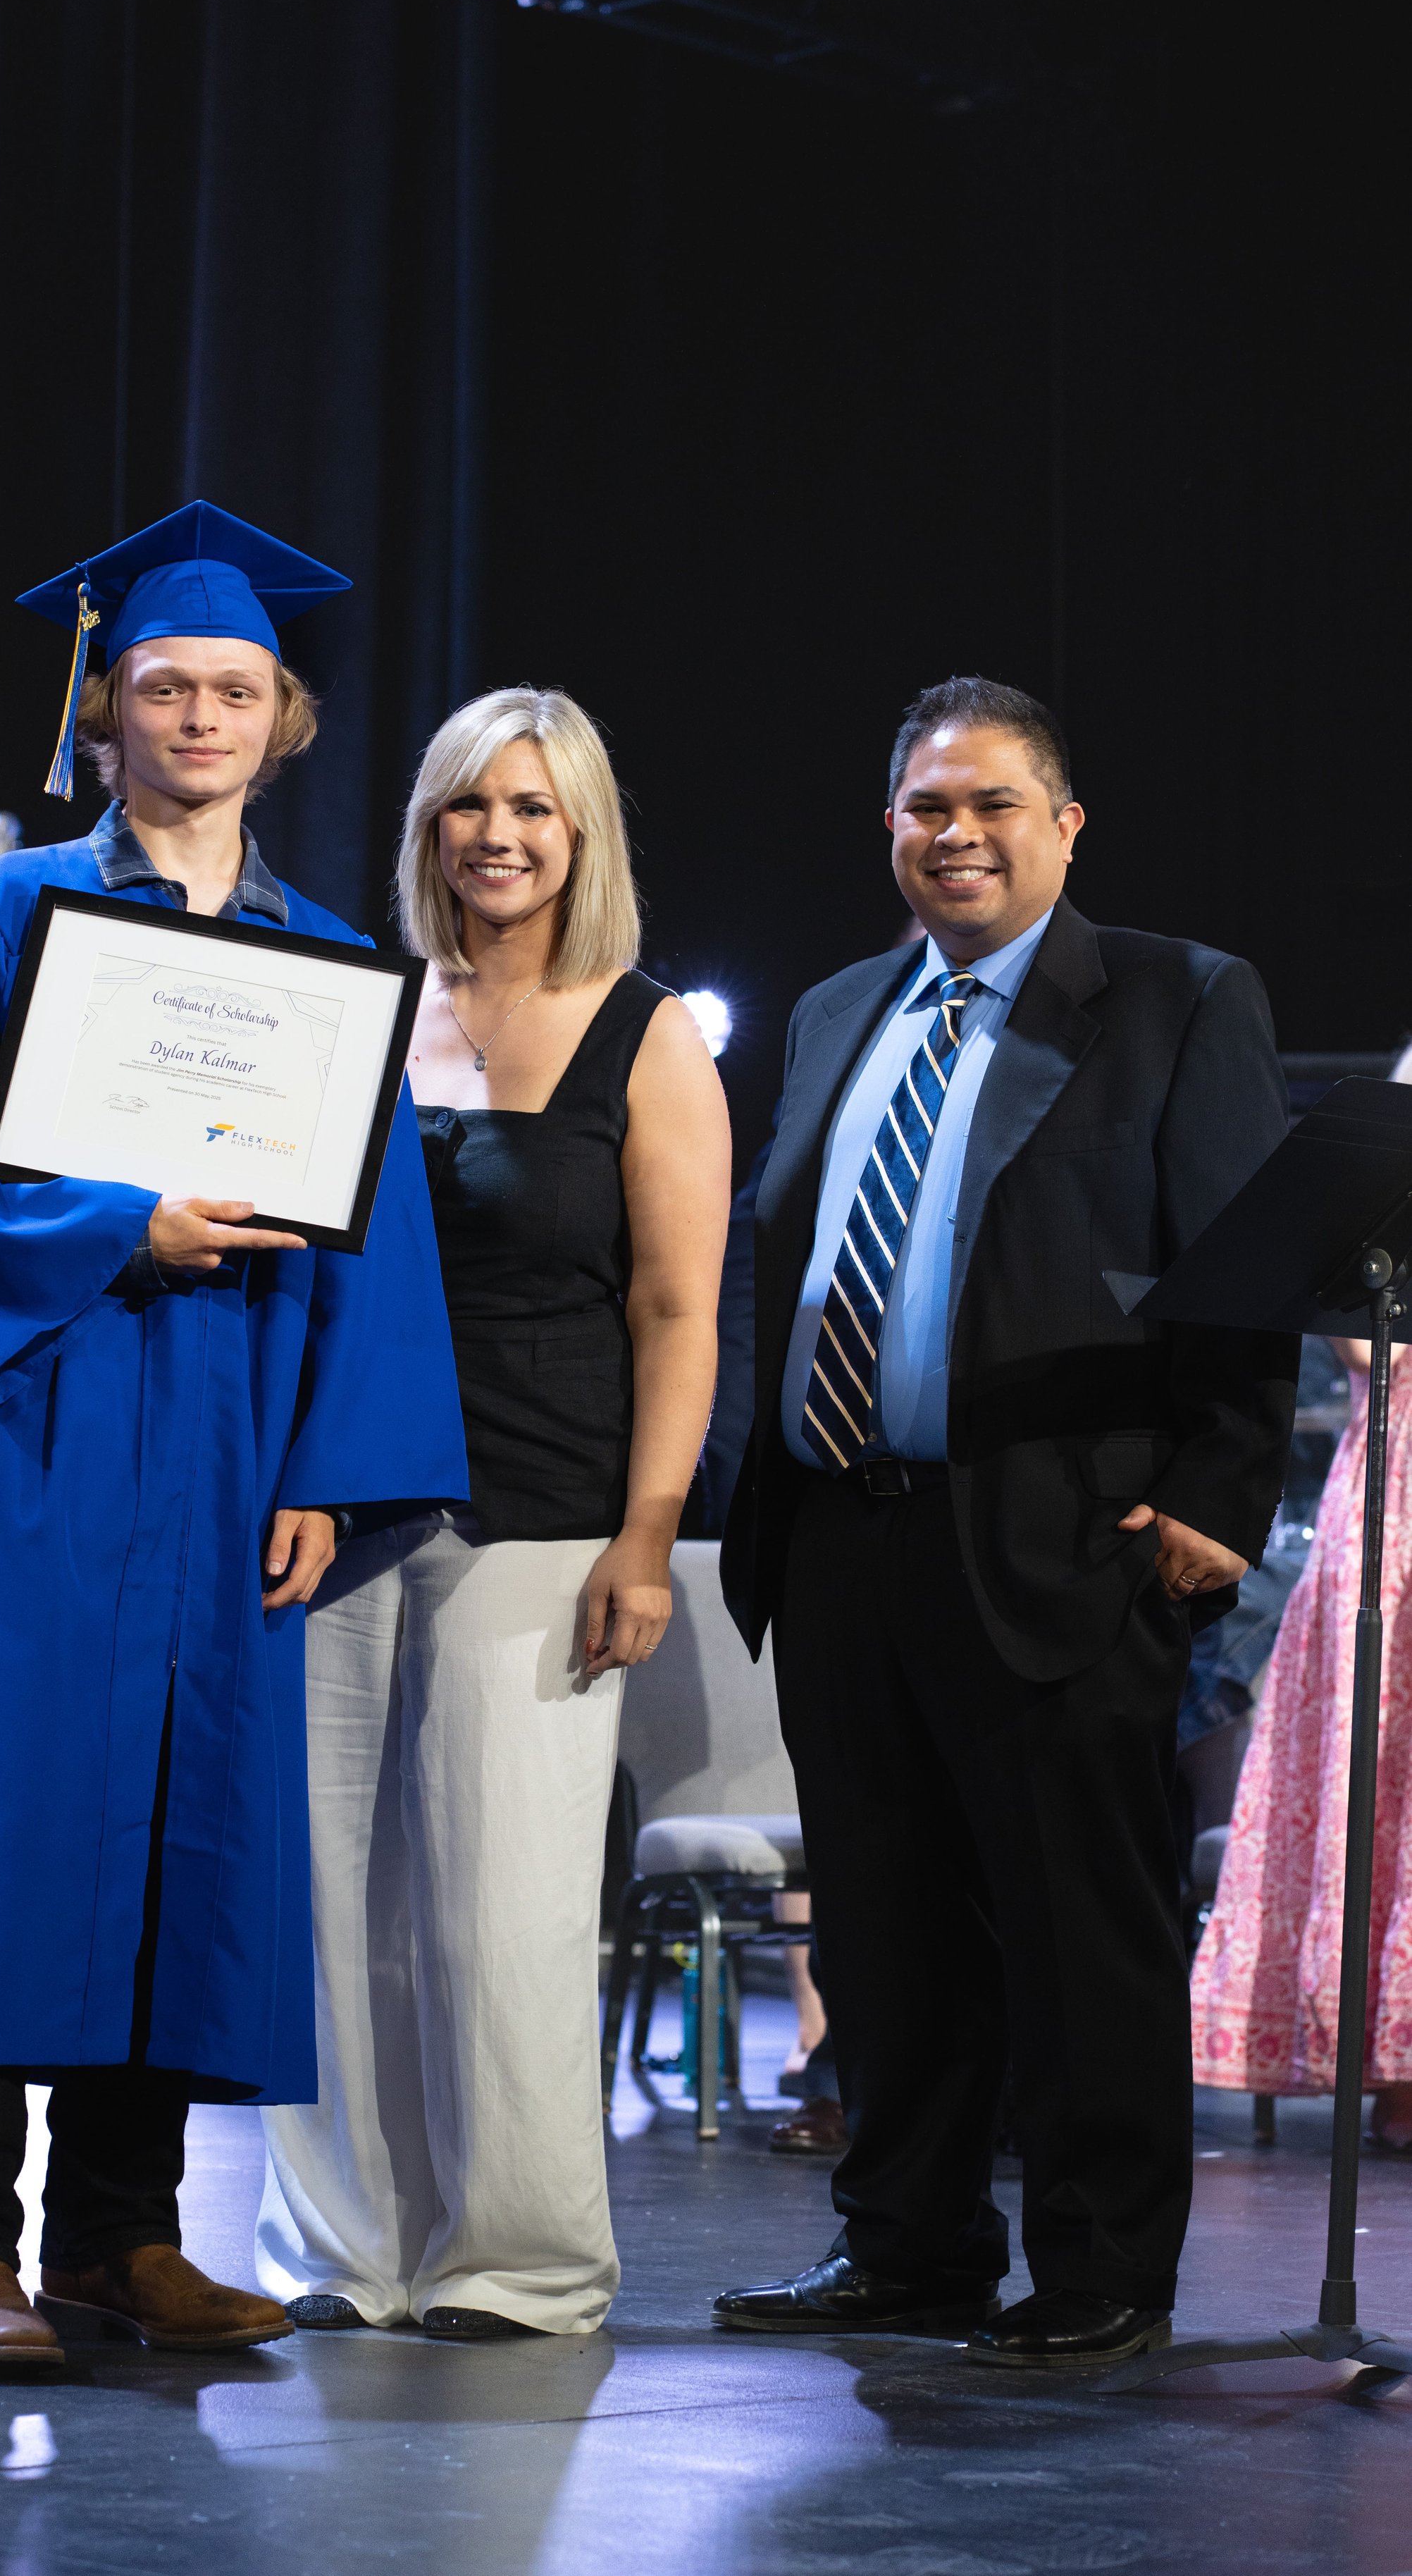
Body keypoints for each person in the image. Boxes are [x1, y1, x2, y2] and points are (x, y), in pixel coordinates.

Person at [0, 501, 468, 2374]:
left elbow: (376, 1237)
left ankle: (120, 2237)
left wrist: (328, 1464)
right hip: (51, 1410)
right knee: (7, 1816)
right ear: (106, 711)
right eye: (160, 685)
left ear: (282, 717)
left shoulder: (324, 955)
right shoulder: (4, 911)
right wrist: (114, 1223)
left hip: (229, 1433)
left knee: (182, 1823)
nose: (197, 715)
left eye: (232, 688)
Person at [713, 675, 1298, 2368]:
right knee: (886, 1934)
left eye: (986, 805)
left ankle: (1105, 2266)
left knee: (1073, 1931)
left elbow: (1242, 1265)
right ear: (884, 829)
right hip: (841, 1535)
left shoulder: (1176, 1000)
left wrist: (1209, 1503)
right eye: (920, 809)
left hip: (1062, 1532)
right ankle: (907, 2248)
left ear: (1063, 825)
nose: (952, 835)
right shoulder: (833, 1012)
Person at [255, 686, 731, 2338]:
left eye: (532, 808)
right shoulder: (366, 1008)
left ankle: (521, 2267)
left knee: (504, 1908)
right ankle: (339, 2251)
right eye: (469, 805)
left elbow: (678, 1312)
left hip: (544, 1522)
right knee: (324, 1900)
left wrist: (648, 1537)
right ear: (427, 831)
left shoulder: (646, 1031)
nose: (498, 836)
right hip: (331, 1512)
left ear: (579, 833)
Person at [1191, 1046, 1412, 2142]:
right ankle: (1394, 2054)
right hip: (1401, 1470)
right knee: (1388, 1737)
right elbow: (1336, 1297)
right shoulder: (1397, 1108)